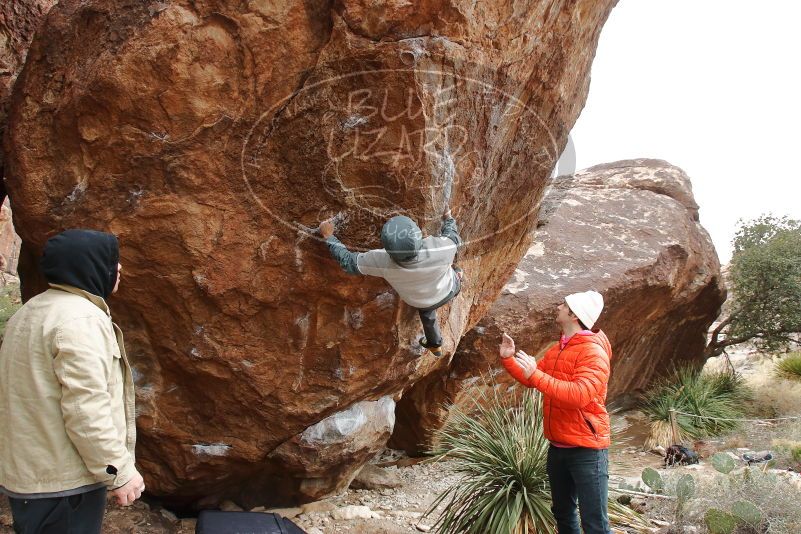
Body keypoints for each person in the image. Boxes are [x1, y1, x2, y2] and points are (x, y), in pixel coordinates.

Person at [0, 229, 143, 533]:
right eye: (111, 260)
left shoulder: (29, 312)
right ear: (89, 265)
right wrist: (119, 471)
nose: (119, 268)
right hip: (63, 485)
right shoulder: (80, 321)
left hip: (29, 478)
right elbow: (86, 410)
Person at [499, 290, 612, 534]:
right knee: (563, 514)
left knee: (595, 524)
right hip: (558, 447)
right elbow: (533, 379)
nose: (558, 307)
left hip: (588, 451)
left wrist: (537, 375)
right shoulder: (559, 348)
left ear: (574, 314)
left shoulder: (593, 353)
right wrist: (509, 359)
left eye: (564, 305)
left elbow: (579, 395)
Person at [320, 209, 462, 357]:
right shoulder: (440, 248)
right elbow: (452, 235)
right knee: (456, 272)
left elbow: (349, 262)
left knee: (427, 313)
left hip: (421, 301)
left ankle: (435, 345)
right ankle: (458, 275)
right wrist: (448, 218)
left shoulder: (382, 261)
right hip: (449, 290)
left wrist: (329, 236)